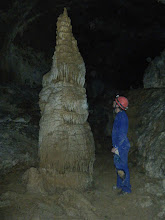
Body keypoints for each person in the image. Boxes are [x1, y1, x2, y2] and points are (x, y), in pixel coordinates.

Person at [111, 95, 131, 195]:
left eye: (115, 101)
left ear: (118, 105)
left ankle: (126, 189)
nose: (113, 103)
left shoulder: (122, 117)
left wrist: (117, 147)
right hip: (120, 145)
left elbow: (122, 135)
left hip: (122, 146)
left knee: (122, 167)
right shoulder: (119, 115)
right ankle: (119, 185)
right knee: (118, 166)